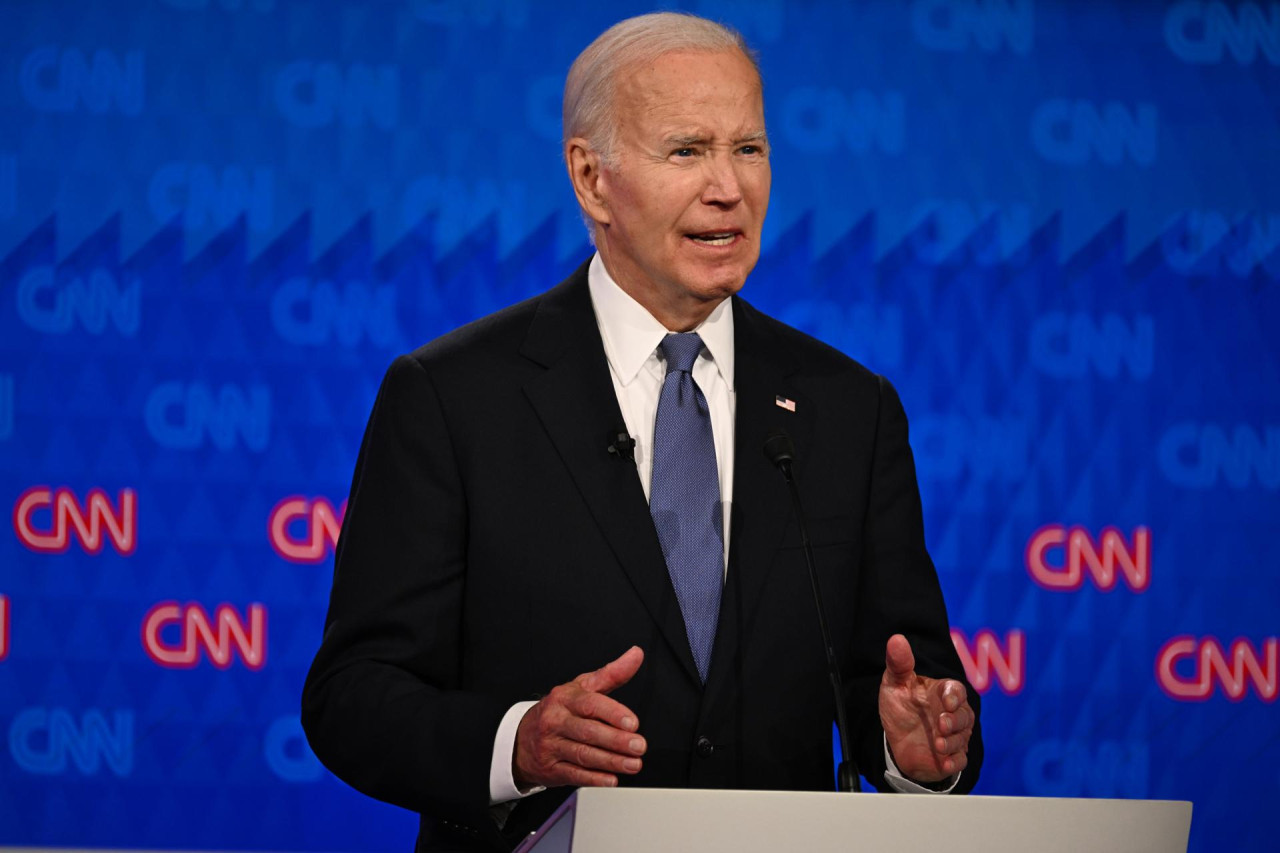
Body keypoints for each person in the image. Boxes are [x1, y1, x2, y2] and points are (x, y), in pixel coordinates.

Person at [303, 12, 981, 852]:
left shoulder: (849, 407)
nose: (729, 187)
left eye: (750, 148)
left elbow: (907, 679)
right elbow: (353, 693)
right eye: (687, 151)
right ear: (592, 179)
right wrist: (515, 743)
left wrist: (917, 752)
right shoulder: (451, 398)